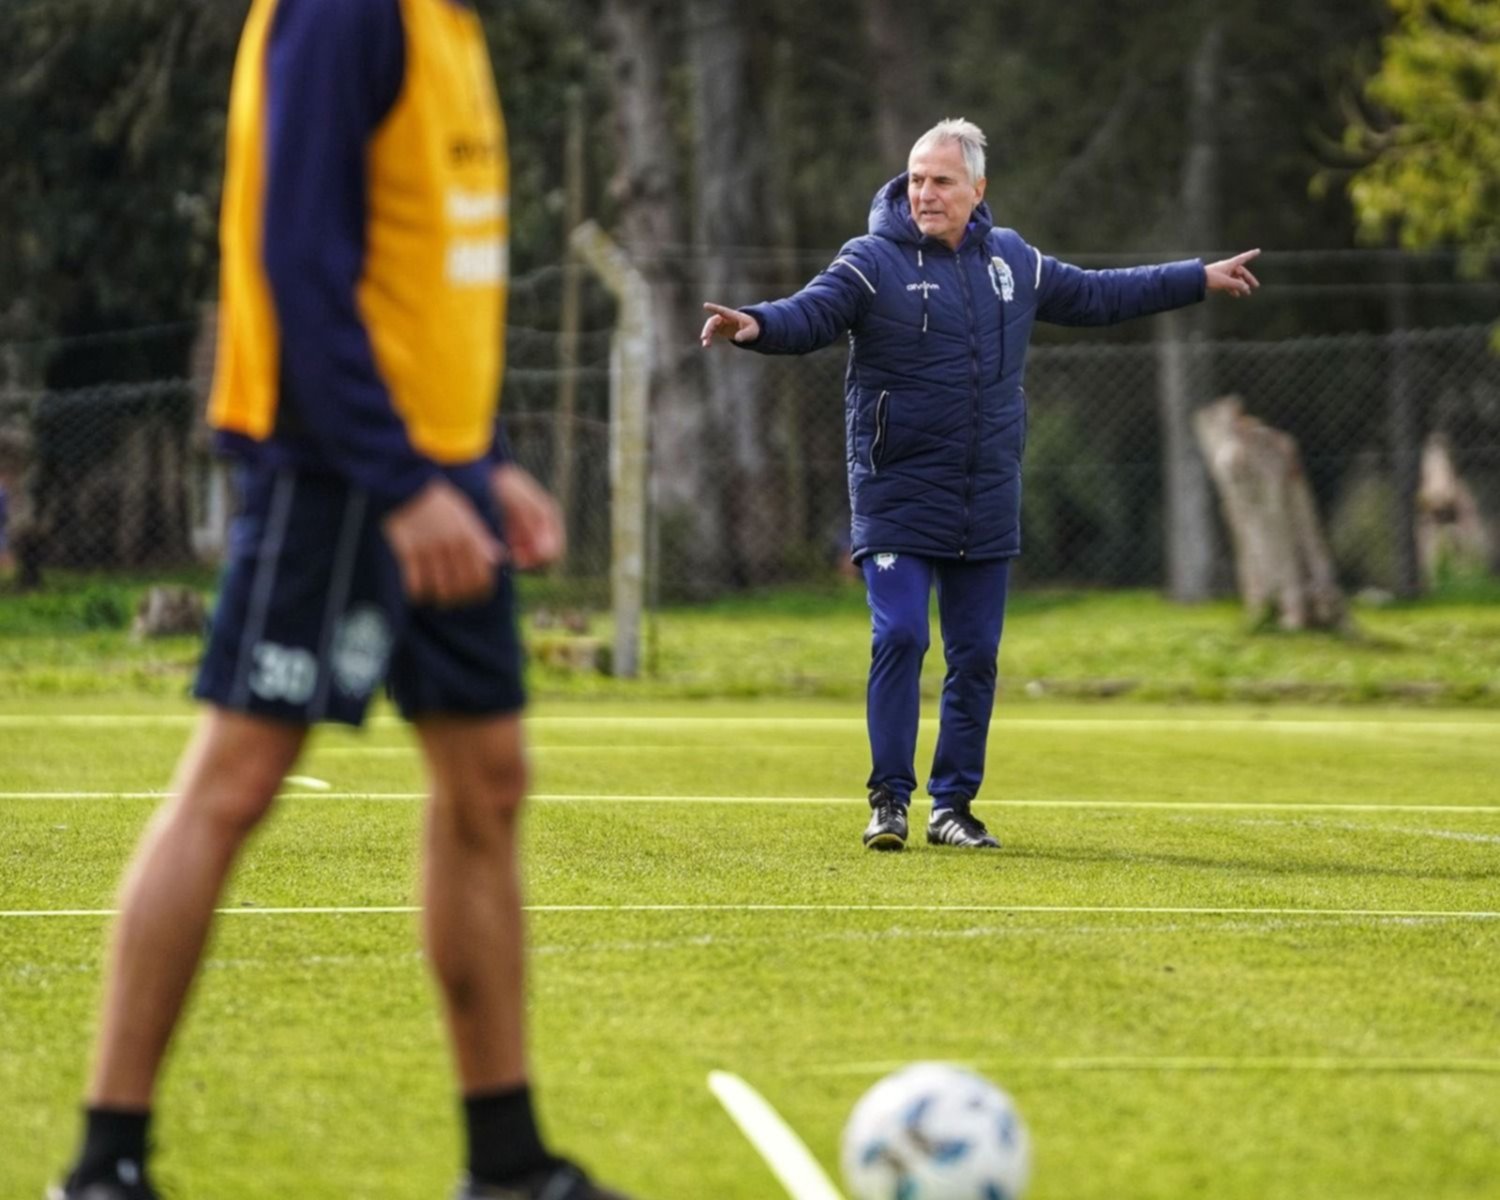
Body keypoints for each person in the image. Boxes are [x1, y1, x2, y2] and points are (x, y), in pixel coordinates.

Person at [52, 2, 634, 1199]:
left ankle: (508, 1165)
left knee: (488, 782)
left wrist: (482, 461)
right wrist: (402, 480)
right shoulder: (346, 11)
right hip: (334, 468)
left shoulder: (450, 27)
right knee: (234, 781)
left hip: (434, 472)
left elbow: (429, 282)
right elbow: (296, 258)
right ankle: (103, 1167)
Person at [701, 118, 1259, 853]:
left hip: (985, 496)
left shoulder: (1014, 262)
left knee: (975, 657)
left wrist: (1196, 277)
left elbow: (1096, 295)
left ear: (977, 189)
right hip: (896, 491)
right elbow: (815, 311)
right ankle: (888, 802)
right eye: (915, 180)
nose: (924, 193)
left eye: (941, 181)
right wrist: (758, 325)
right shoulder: (871, 260)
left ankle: (952, 807)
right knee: (900, 635)